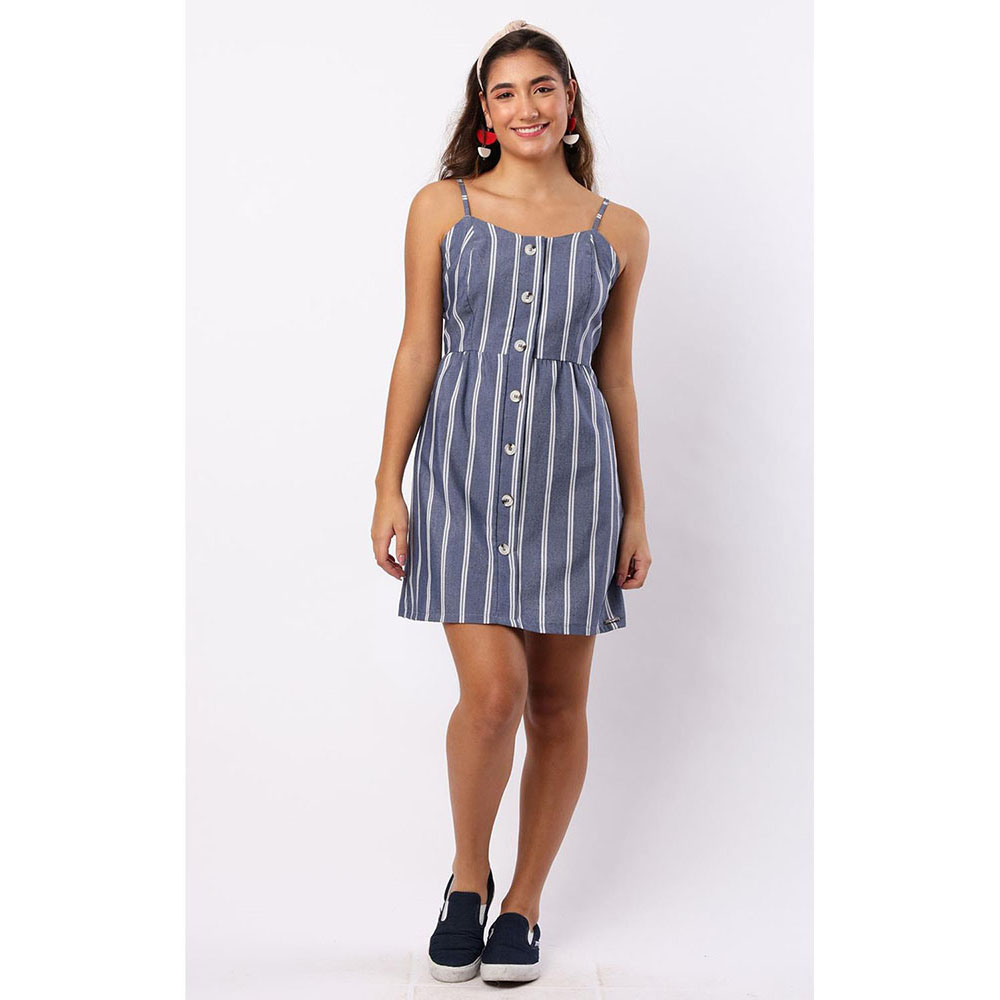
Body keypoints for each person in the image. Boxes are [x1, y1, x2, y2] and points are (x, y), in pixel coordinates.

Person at [371, 19, 652, 985]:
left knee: (561, 707)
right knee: (493, 694)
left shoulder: (620, 231)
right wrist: (388, 482)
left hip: (577, 487)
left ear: (569, 102)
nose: (525, 106)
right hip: (459, 476)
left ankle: (524, 903)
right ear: (483, 113)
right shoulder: (441, 208)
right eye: (504, 92)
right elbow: (419, 346)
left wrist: (637, 512)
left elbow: (616, 378)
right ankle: (468, 878)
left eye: (542, 87)